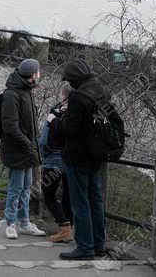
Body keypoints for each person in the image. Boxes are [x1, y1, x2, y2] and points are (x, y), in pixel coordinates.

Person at [59, 59, 108, 260]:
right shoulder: (102, 91)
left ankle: (85, 248)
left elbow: (70, 130)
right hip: (96, 154)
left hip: (78, 156)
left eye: (69, 80)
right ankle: (98, 245)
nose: (69, 84)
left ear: (74, 79)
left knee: (80, 203)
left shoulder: (78, 98)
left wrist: (59, 120)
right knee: (96, 200)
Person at [0, 58, 46, 239]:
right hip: (17, 151)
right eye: (38, 72)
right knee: (16, 188)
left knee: (26, 187)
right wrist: (28, 144)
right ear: (32, 75)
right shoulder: (12, 94)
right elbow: (10, 126)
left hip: (27, 150)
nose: (39, 75)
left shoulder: (27, 91)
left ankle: (24, 222)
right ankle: (11, 223)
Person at [40, 85, 73, 243]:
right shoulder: (77, 113)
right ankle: (70, 229)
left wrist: (42, 152)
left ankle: (65, 228)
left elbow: (44, 138)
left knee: (48, 195)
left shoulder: (55, 113)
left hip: (53, 160)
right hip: (71, 160)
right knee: (68, 196)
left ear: (63, 96)